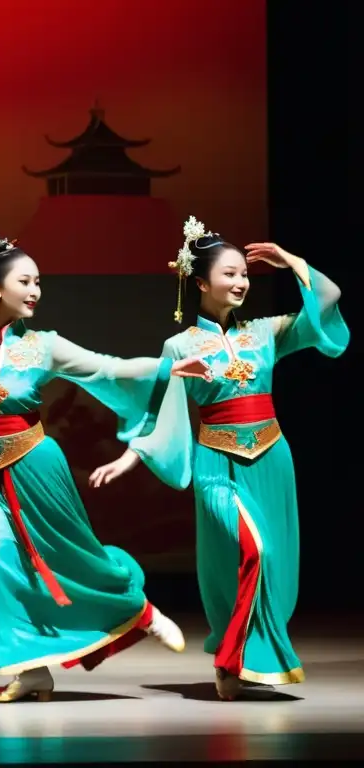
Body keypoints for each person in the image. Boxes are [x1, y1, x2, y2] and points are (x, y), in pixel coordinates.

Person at [0, 223, 211, 702]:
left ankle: (139, 611)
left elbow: (106, 367)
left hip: (37, 466)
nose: (35, 291)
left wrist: (165, 368)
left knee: (79, 557)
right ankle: (30, 668)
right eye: (25, 282)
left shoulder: (44, 345)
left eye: (38, 282)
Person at [89, 217, 348, 700]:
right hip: (217, 464)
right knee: (255, 550)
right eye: (229, 274)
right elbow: (156, 407)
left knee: (271, 562)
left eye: (244, 274)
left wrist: (290, 260)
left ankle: (239, 660)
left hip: (272, 457)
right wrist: (134, 456)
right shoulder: (181, 344)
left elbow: (328, 300)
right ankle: (234, 658)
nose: (241, 282)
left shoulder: (267, 332)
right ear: (201, 282)